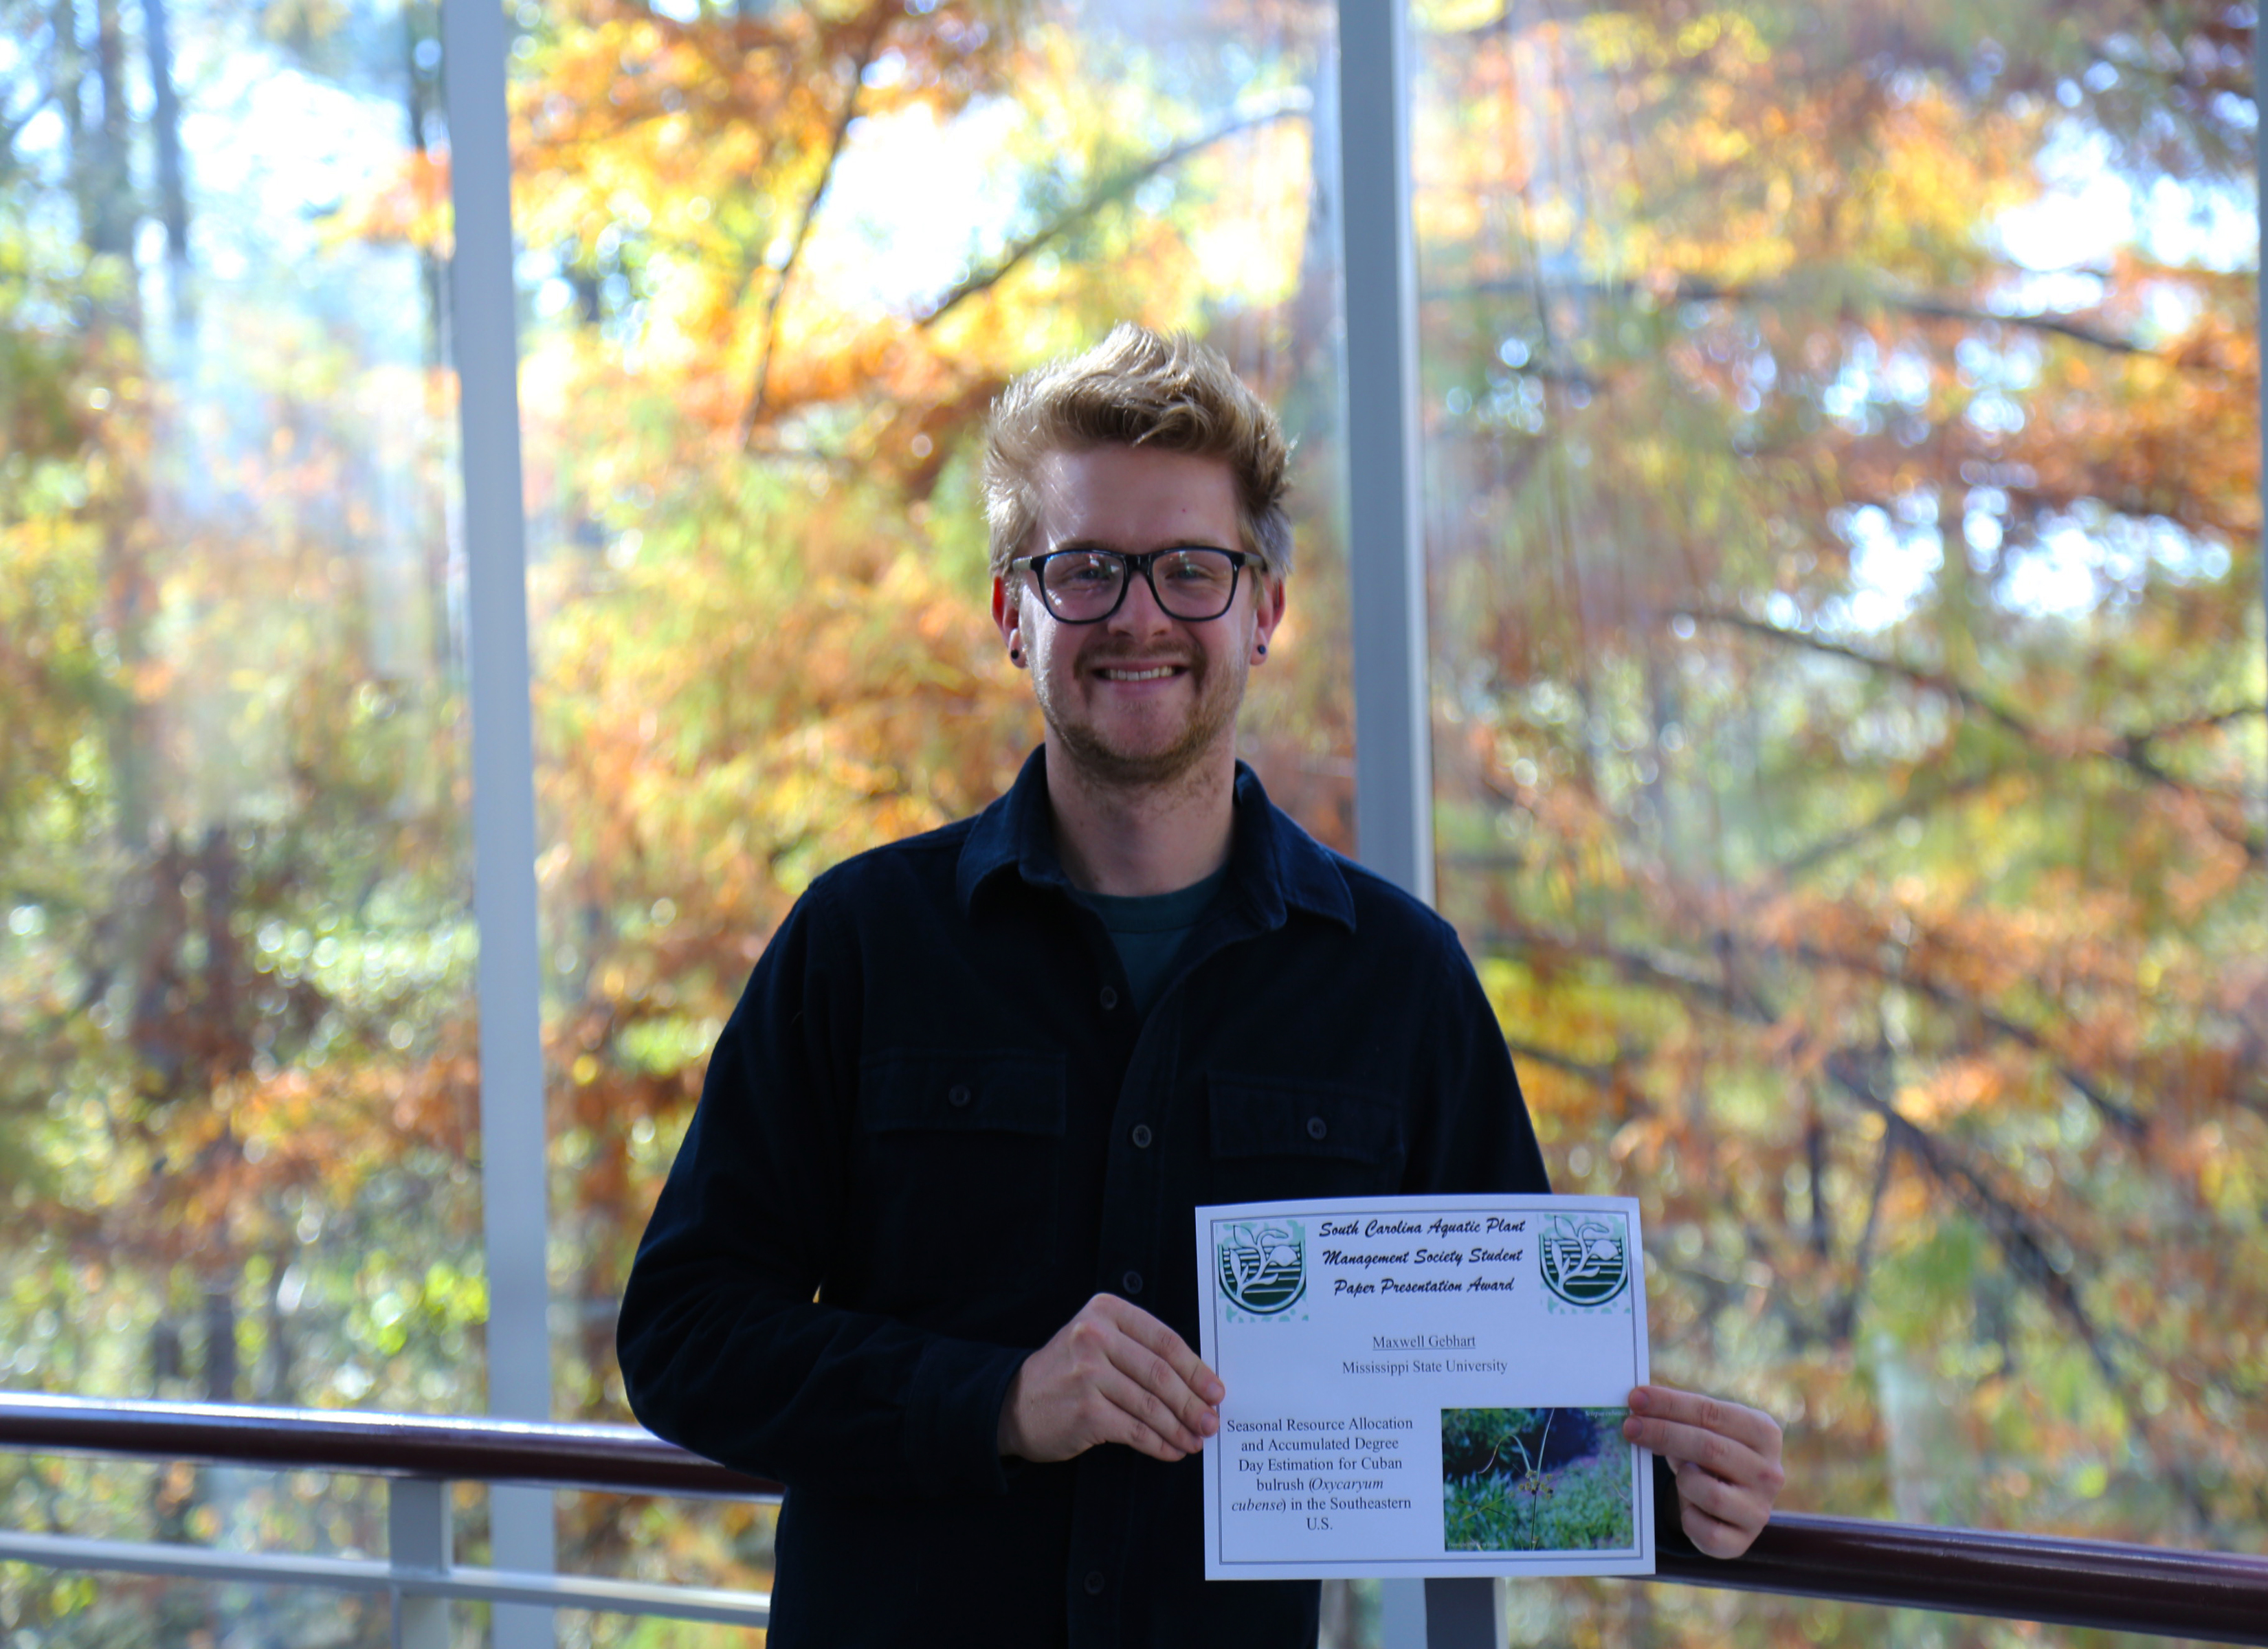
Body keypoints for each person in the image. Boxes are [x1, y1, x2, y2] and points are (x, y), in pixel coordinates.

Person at [616, 324, 1785, 1646]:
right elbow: (684, 1337)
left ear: (1263, 611)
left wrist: (1671, 1486)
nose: (1138, 616)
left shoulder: (1399, 981)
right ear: (1011, 614)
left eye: (1191, 569)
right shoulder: (859, 943)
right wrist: (1000, 1402)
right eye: (1084, 570)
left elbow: (1501, 1399)